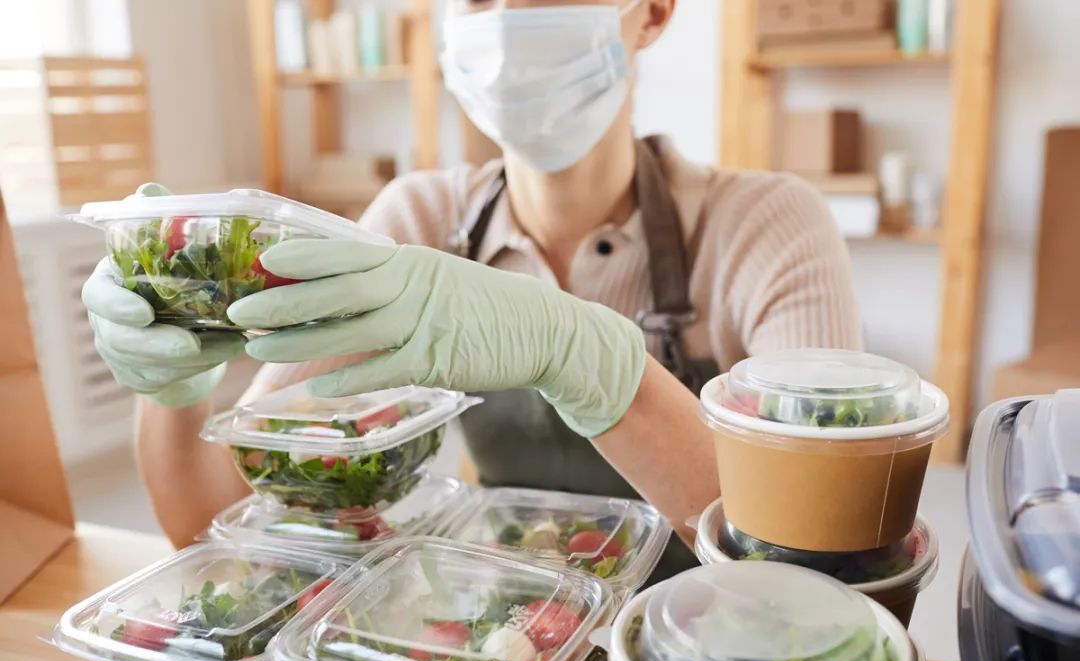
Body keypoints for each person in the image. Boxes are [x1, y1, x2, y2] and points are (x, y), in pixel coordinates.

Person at [82, 0, 861, 583]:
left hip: (707, 650)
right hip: (513, 632)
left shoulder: (764, 228)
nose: (511, 18)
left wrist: (584, 358)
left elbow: (822, 558)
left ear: (653, 11)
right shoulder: (415, 225)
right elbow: (211, 521)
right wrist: (178, 367)